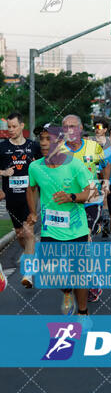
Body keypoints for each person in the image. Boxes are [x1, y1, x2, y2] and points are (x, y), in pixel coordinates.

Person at [26, 124, 92, 315]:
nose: (44, 143)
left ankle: (82, 312)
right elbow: (31, 188)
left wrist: (72, 196)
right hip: (51, 229)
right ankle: (65, 289)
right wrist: (32, 212)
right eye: (42, 139)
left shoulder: (75, 165)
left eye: (49, 139)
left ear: (60, 141)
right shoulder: (35, 167)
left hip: (76, 229)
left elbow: (91, 192)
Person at [60, 114, 106, 302]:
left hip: (91, 199)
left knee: (85, 238)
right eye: (66, 127)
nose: (70, 130)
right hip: (69, 202)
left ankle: (92, 280)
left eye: (73, 126)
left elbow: (105, 165)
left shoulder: (93, 147)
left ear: (79, 129)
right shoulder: (59, 150)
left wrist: (106, 183)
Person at [0, 112, 41, 288]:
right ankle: (33, 255)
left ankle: (28, 274)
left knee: (28, 231)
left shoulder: (34, 146)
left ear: (22, 126)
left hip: (29, 197)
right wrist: (2, 173)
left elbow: (45, 167)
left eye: (14, 126)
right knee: (20, 235)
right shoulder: (2, 148)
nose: (11, 130)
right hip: (11, 198)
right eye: (8, 127)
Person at [93, 116, 111, 238]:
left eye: (99, 127)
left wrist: (107, 181)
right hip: (93, 176)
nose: (97, 130)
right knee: (96, 200)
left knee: (105, 200)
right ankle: (99, 222)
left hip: (108, 175)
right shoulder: (91, 143)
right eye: (95, 127)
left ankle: (106, 223)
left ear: (105, 130)